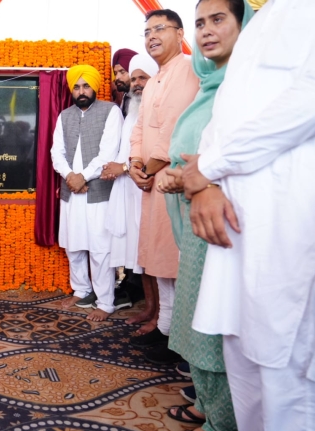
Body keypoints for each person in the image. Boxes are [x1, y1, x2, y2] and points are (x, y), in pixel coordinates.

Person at [180, 0, 315, 431]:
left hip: (283, 221)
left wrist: (212, 167)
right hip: (234, 227)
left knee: (288, 375)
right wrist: (204, 182)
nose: (207, 30)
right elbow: (224, 119)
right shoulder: (267, 20)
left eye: (217, 19)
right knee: (246, 365)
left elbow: (309, 98)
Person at [156, 0, 253, 431]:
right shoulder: (211, 83)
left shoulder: (249, 83)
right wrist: (182, 174)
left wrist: (193, 173)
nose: (207, 31)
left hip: (226, 226)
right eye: (200, 23)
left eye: (219, 20)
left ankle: (225, 426)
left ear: (245, 25)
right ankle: (210, 405)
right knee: (198, 318)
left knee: (216, 323)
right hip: (196, 220)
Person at [127, 9, 200, 364]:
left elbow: (174, 124)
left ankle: (177, 336)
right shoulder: (154, 79)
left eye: (159, 29)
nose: (151, 36)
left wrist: (148, 168)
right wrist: (133, 165)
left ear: (180, 32)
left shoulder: (187, 68)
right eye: (146, 31)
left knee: (174, 260)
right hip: (151, 181)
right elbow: (139, 129)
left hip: (172, 180)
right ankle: (165, 327)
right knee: (159, 260)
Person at [50, 64, 123, 321]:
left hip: (98, 190)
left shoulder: (110, 111)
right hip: (72, 191)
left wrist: (83, 176)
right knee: (73, 244)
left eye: (86, 86)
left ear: (95, 87)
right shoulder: (64, 115)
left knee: (100, 246)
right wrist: (70, 176)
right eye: (77, 87)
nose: (81, 91)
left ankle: (105, 302)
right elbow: (56, 152)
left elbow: (108, 152)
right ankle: (81, 290)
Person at [101, 54, 158, 306]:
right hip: (129, 186)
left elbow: (156, 151)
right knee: (137, 252)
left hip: (146, 187)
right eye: (133, 78)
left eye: (141, 77)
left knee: (149, 251)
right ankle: (150, 308)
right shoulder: (134, 107)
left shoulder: (157, 107)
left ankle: (159, 312)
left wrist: (123, 167)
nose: (135, 83)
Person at [111, 48, 138, 118]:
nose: (117, 77)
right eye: (115, 73)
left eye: (122, 72)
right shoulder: (126, 96)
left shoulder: (141, 97)